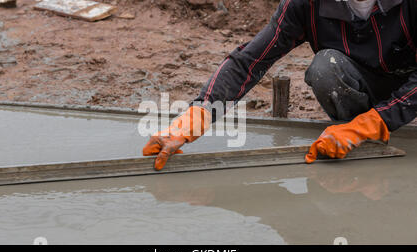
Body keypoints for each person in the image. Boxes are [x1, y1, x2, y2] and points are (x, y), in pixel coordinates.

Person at [143, 0, 416, 170]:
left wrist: (370, 124)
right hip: (358, 82)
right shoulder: (306, 4)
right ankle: (353, 135)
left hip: (409, 85)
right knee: (325, 69)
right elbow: (248, 61)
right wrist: (198, 115)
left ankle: (365, 128)